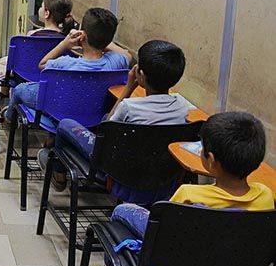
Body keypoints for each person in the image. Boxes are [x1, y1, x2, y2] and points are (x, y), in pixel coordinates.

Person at [86, 112, 274, 266]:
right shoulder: (265, 197)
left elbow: (162, 237)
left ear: (210, 160)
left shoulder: (189, 194)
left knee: (122, 210)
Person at [46, 40, 192, 195]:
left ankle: (59, 173)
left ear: (140, 76)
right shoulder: (183, 107)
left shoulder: (129, 107)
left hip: (118, 173)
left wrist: (128, 88)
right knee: (103, 118)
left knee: (65, 124)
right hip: (160, 177)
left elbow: (108, 128)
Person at [5, 7, 132, 122]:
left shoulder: (66, 63)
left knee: (19, 89)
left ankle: (8, 117)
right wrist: (105, 40)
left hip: (58, 110)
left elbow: (42, 64)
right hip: (92, 115)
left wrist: (65, 43)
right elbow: (129, 56)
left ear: (81, 34)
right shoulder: (115, 62)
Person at [0, 0, 77, 87]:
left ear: (47, 13)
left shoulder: (31, 35)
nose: (39, 9)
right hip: (54, 81)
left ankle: (4, 97)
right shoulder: (68, 41)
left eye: (41, 7)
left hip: (25, 78)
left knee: (7, 63)